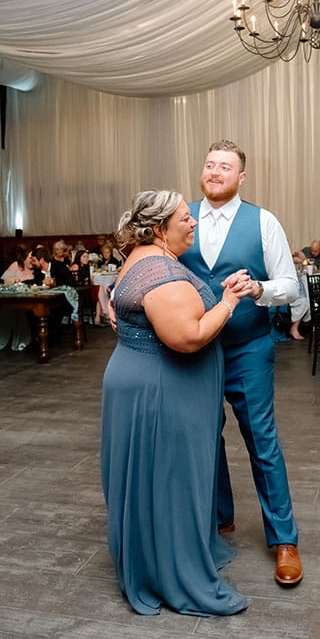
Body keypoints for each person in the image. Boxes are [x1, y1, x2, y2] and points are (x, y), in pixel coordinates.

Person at [101, 189, 250, 616]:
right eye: (185, 218)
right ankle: (173, 571)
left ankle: (158, 554)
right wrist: (227, 302)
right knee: (170, 477)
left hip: (147, 381)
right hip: (162, 389)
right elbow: (187, 337)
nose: (194, 222)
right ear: (157, 230)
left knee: (156, 476)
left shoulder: (142, 257)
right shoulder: (159, 272)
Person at [179, 140, 302, 586]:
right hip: (195, 346)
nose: (214, 172)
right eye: (209, 164)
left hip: (249, 348)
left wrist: (259, 291)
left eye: (225, 167)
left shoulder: (263, 221)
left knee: (262, 442)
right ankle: (219, 520)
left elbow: (290, 285)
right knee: (203, 437)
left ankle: (284, 540)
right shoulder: (182, 218)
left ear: (241, 177)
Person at [0, 245, 35, 351]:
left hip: (27, 298)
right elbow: (5, 279)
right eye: (29, 259)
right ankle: (2, 338)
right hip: (11, 295)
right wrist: (16, 279)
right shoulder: (15, 265)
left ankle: (23, 340)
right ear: (23, 258)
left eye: (33, 259)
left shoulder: (35, 270)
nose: (31, 262)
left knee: (20, 310)